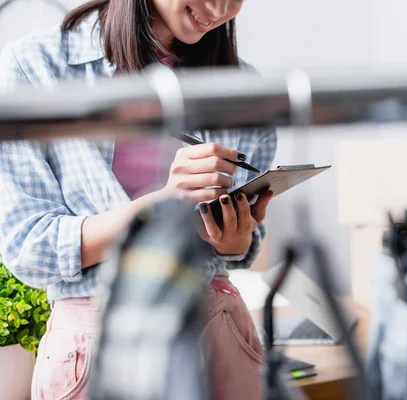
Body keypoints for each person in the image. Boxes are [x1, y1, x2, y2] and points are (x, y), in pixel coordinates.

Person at [0, 0, 276, 399]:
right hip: (91, 349)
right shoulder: (36, 67)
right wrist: (162, 206)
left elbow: (245, 245)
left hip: (220, 332)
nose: (220, 8)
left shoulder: (243, 86)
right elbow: (29, 247)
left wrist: (235, 240)